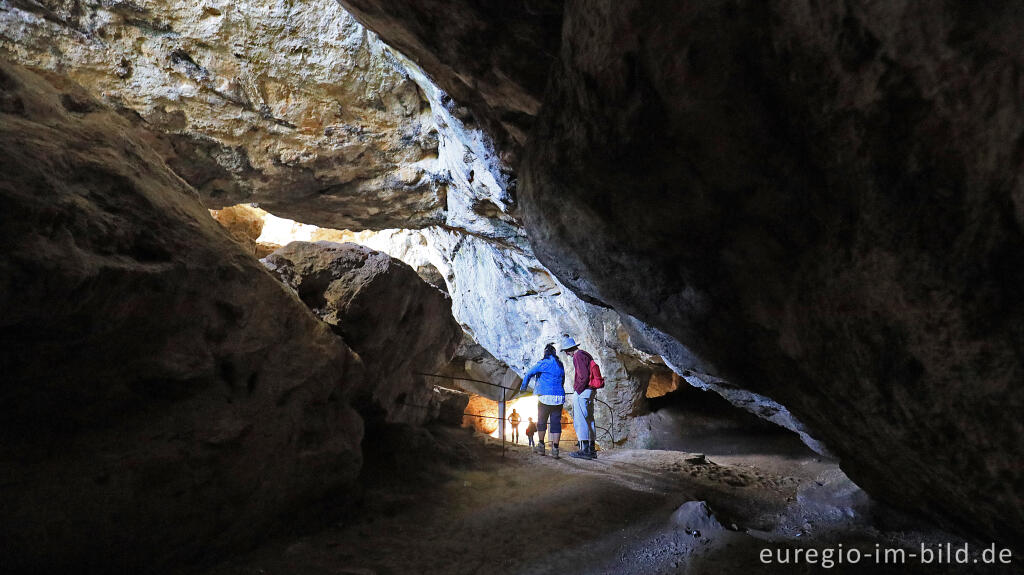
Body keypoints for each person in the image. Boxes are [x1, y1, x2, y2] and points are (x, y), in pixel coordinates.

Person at [518, 343, 566, 458]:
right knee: (555, 424)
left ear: (546, 352)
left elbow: (529, 373)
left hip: (545, 397)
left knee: (541, 422)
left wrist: (523, 388)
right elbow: (563, 379)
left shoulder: (543, 363)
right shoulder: (560, 364)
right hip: (558, 398)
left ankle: (541, 446)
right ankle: (555, 449)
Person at [562, 335, 598, 460]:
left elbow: (583, 376)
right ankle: (592, 449)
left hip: (583, 391)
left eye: (566, 352)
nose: (567, 354)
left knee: (581, 420)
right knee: (589, 419)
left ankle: (585, 450)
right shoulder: (586, 354)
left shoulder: (577, 356)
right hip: (590, 390)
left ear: (568, 350)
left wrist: (577, 390)